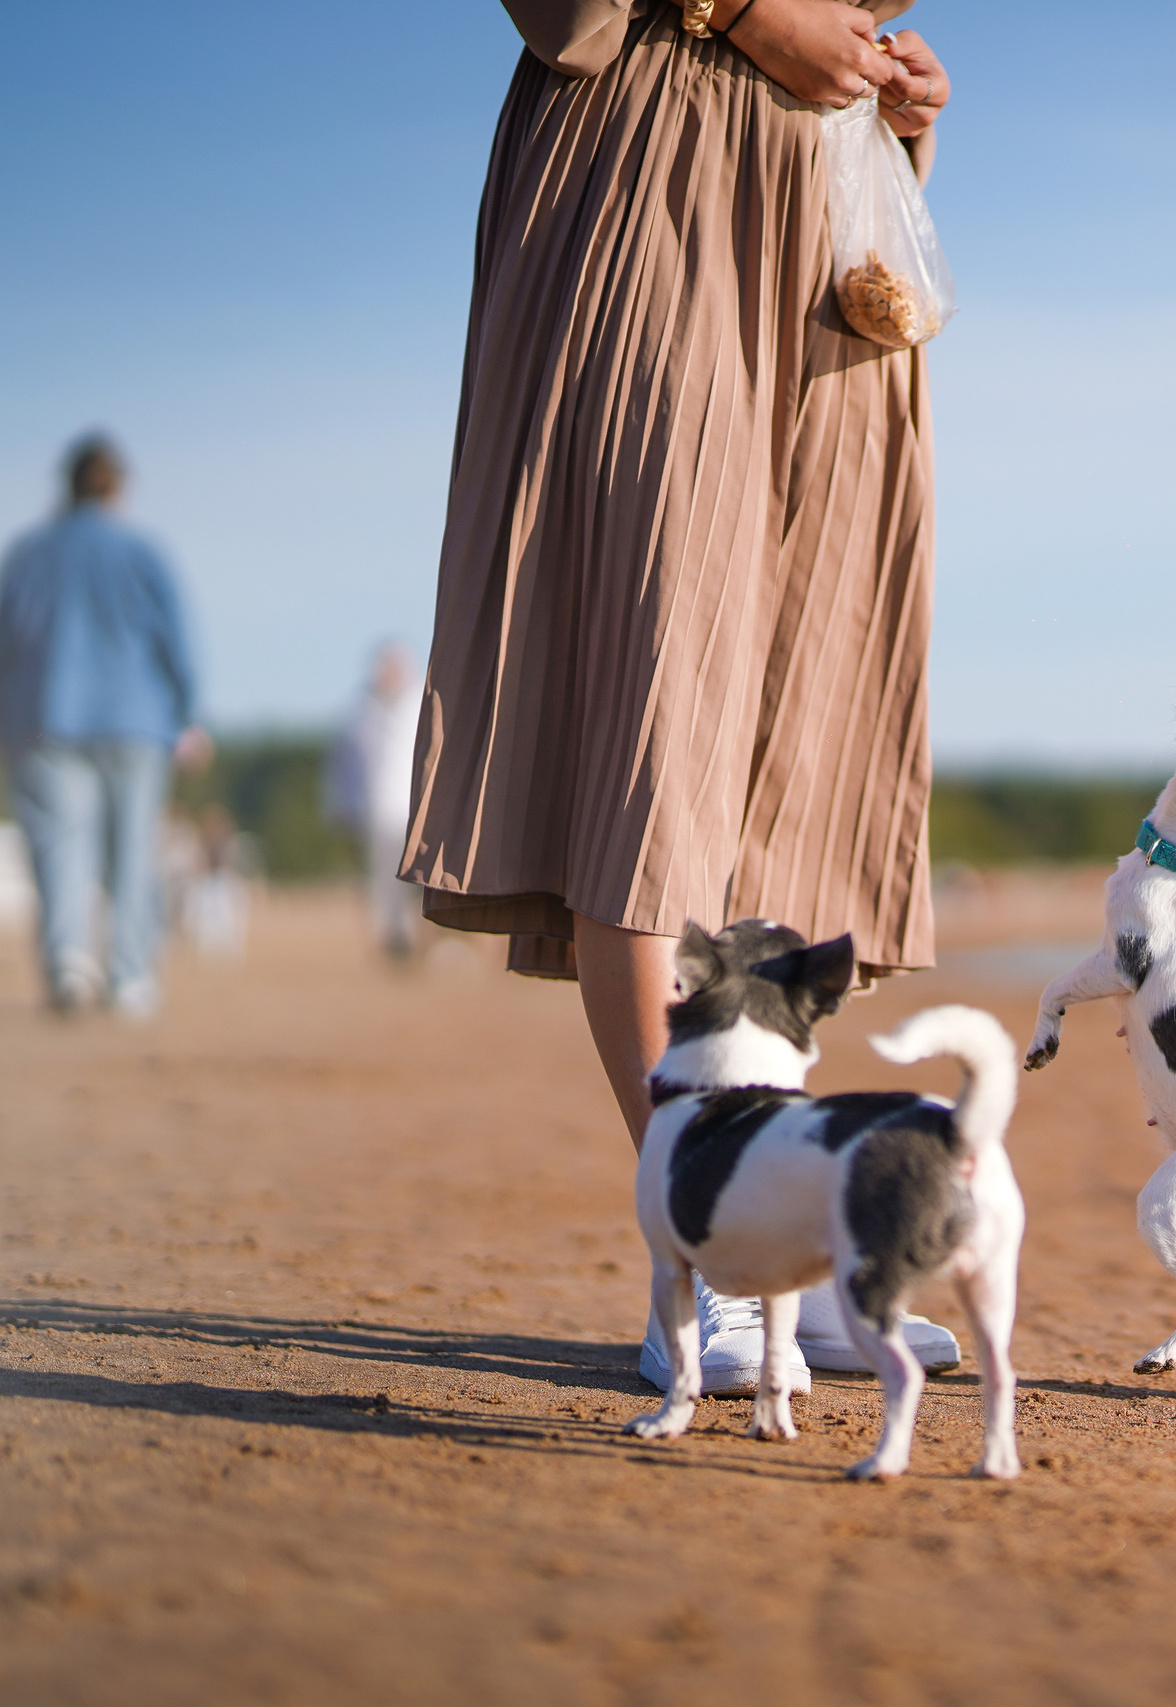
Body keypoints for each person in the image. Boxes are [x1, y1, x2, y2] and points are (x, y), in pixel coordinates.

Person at [404, 1, 960, 1393]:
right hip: (656, 163)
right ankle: (697, 1245)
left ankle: (779, 1241)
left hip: (825, 213)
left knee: (799, 715)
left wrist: (890, 105)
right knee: (662, 698)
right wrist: (751, 13)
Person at [0, 435, 213, 1017]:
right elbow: (176, 641)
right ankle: (130, 976)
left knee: (59, 846)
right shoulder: (140, 551)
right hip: (135, 719)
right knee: (132, 851)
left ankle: (69, 962)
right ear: (118, 488)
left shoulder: (29, 554)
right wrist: (188, 713)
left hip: (42, 718)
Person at [326, 642, 426, 958]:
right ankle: (394, 941)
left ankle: (428, 939)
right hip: (379, 812)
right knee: (385, 883)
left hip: (420, 811)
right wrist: (342, 806)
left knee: (426, 882)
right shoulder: (361, 711)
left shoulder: (423, 703)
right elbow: (344, 765)